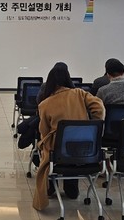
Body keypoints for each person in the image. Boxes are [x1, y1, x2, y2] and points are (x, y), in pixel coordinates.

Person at [32, 62, 104, 211]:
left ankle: (50, 187)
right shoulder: (80, 94)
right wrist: (93, 127)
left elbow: (44, 131)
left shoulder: (45, 104)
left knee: (45, 150)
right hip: (85, 148)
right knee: (72, 149)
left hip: (59, 151)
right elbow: (99, 107)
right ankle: (72, 189)